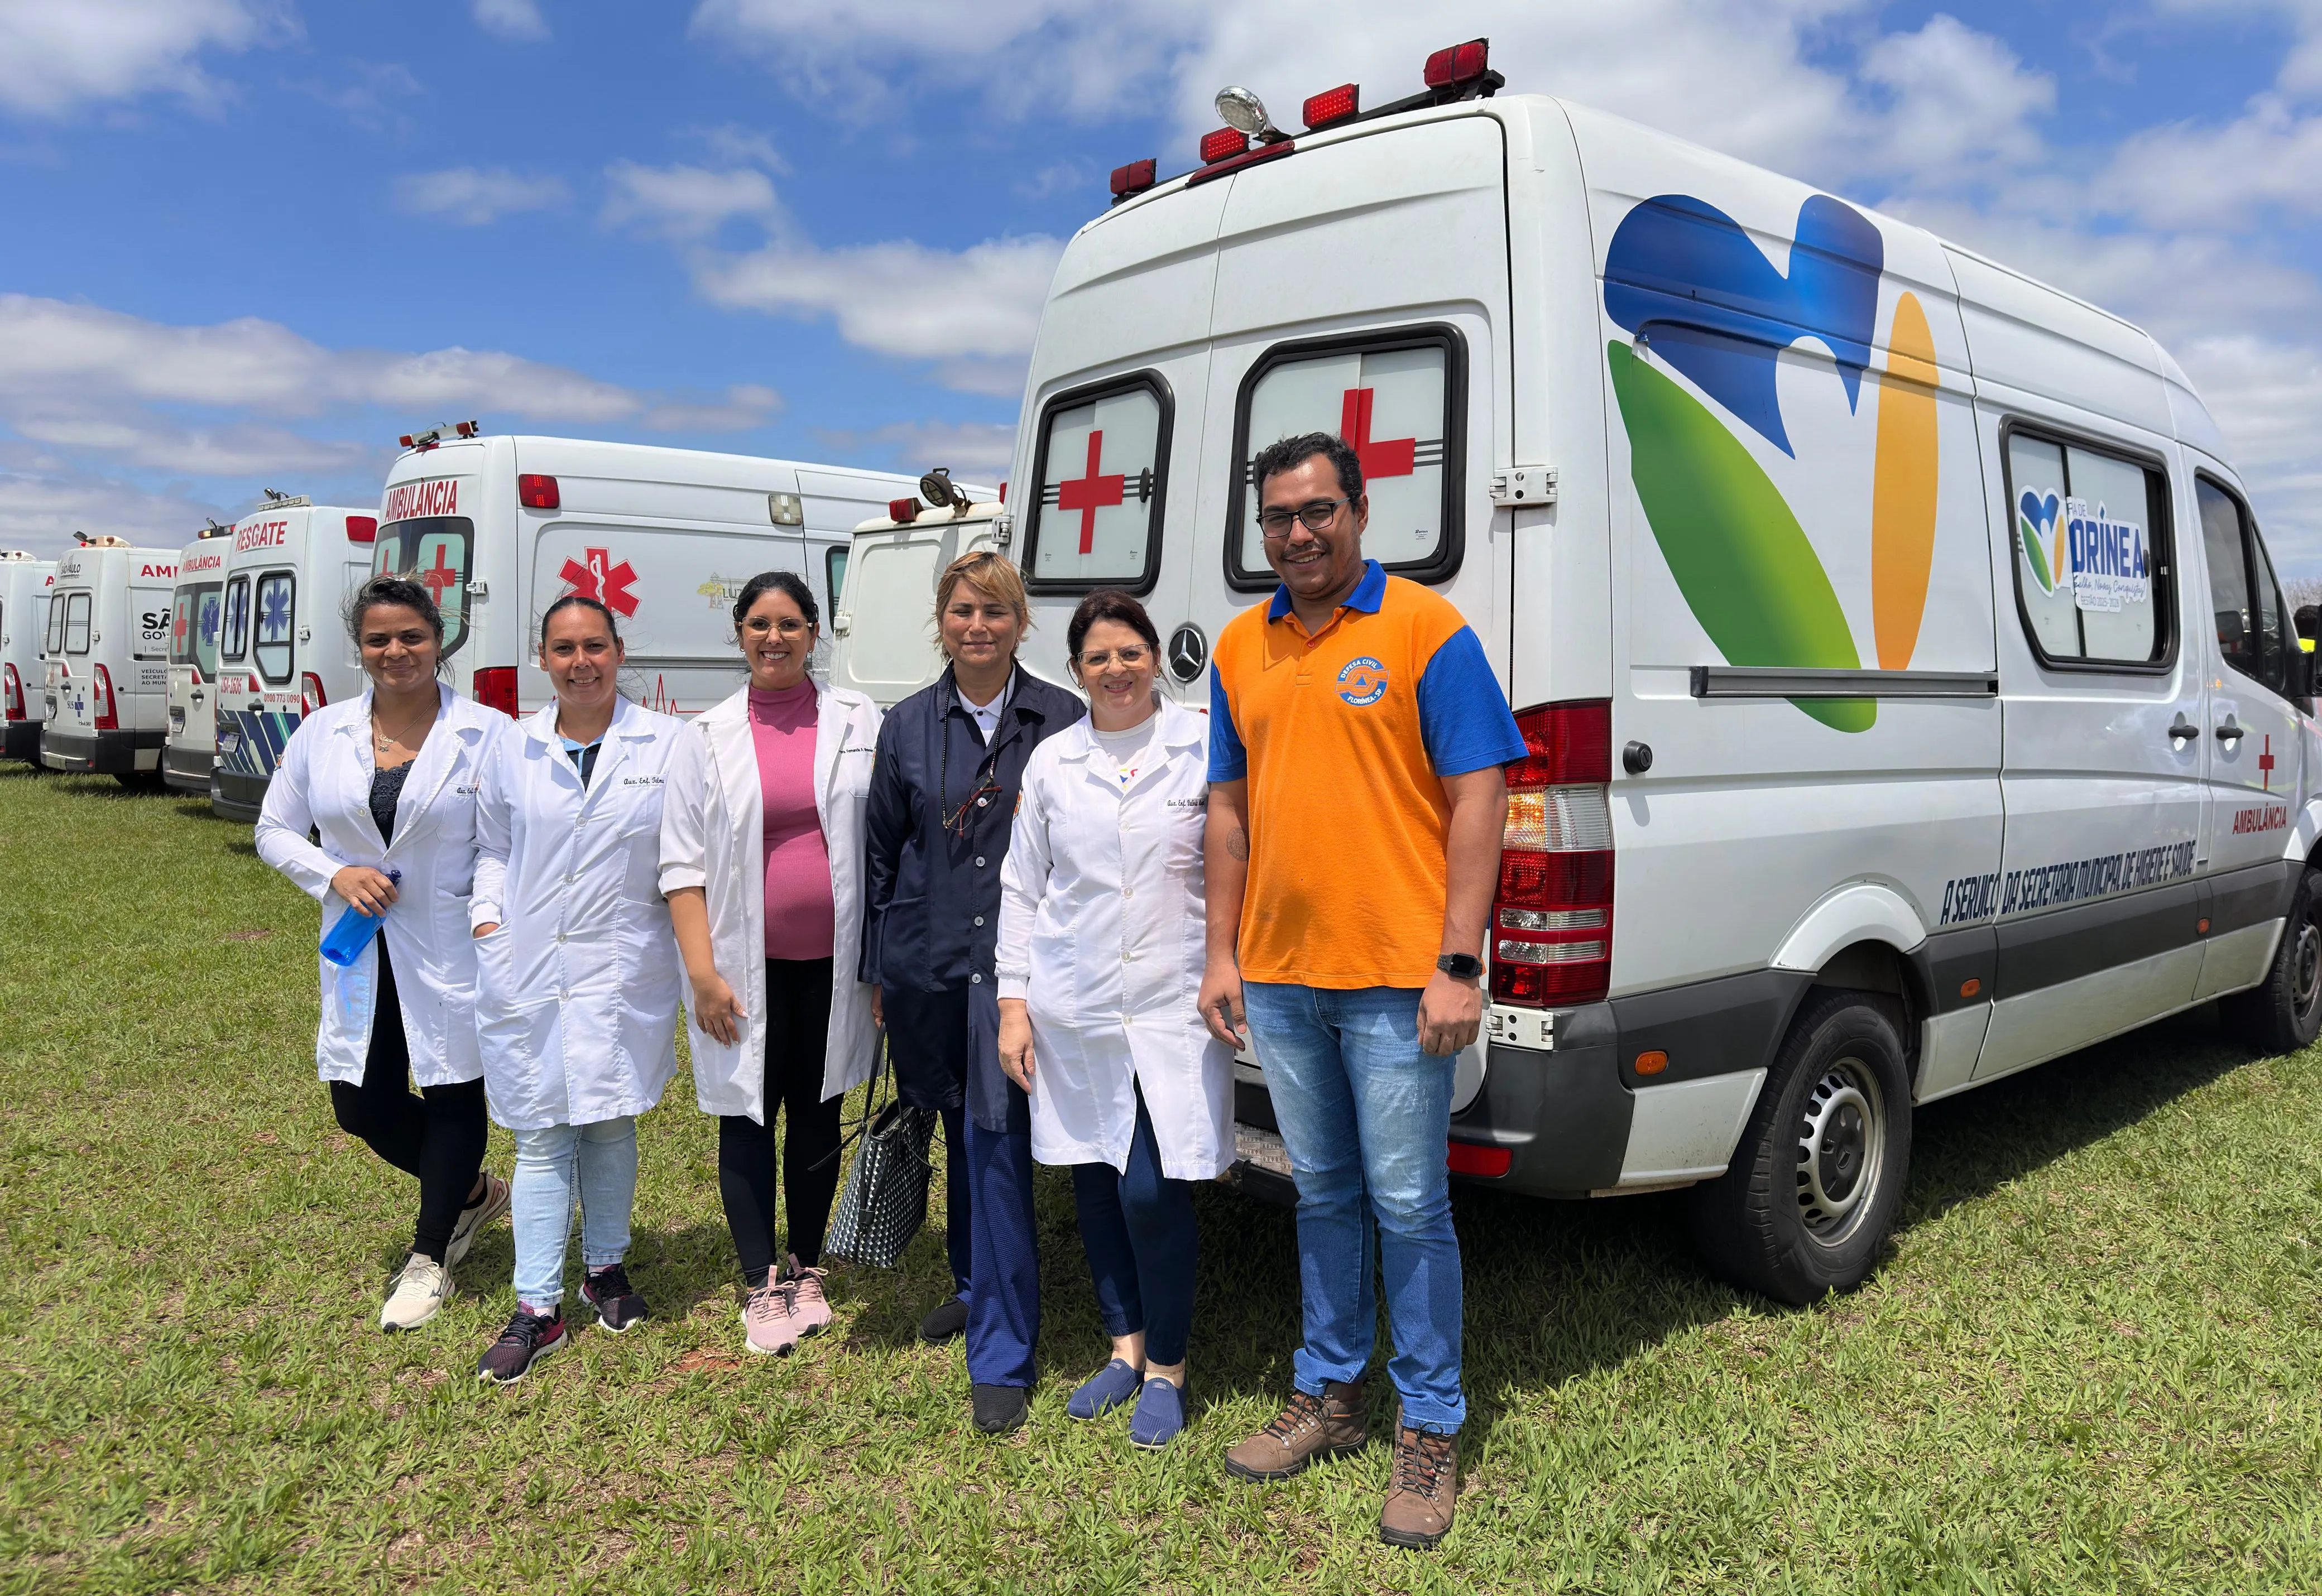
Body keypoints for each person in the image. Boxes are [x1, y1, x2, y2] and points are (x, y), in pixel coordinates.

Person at [1199, 432, 1525, 1550]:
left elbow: (1478, 793)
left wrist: (1458, 961)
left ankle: (1429, 1425)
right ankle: (1330, 1393)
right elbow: (1228, 811)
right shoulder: (1242, 647)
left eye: (1318, 510)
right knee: (1323, 1193)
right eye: (1279, 516)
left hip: (1398, 982)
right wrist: (1221, 953)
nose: (1298, 533)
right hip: (1282, 978)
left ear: (1359, 510)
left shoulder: (1426, 628)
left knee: (1407, 1205)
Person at [995, 590, 1231, 1450]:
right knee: (1094, 1177)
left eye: (1130, 652)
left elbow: (1240, 856)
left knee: (1151, 1187)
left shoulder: (1204, 742)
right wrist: (1012, 1005)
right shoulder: (1054, 762)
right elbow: (1023, 888)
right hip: (1074, 1002)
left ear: (1157, 657)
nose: (1116, 669)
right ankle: (1123, 1349)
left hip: (1171, 1003)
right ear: (1076, 671)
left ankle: (1169, 1365)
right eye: (1098, 657)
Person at [255, 574, 514, 1333]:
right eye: (379, 639)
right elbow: (274, 829)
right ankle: (471, 1194)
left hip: (451, 940)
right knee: (359, 1104)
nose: (396, 651)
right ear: (361, 648)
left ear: (439, 639)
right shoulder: (322, 733)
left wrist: (490, 912)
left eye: (412, 636)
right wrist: (332, 870)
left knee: (454, 1089)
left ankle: (430, 1256)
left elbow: (502, 841)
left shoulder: (487, 733)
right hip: (360, 944)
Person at [860, 550, 1083, 1433]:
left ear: (1022, 623)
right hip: (928, 962)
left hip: (1020, 971)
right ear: (940, 622)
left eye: (995, 612)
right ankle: (970, 1282)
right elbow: (882, 849)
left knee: (995, 1146)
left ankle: (1002, 1353)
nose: (977, 626)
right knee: (956, 1121)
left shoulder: (1062, 719)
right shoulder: (908, 725)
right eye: (962, 611)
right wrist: (882, 968)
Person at [660, 570, 883, 1356]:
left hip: (835, 966)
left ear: (815, 633)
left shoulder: (860, 719)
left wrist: (882, 962)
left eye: (790, 623)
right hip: (739, 974)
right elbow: (680, 866)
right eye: (759, 624)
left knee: (818, 1109)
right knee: (748, 1114)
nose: (774, 637)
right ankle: (761, 1283)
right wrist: (702, 975)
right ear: (740, 634)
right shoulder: (707, 735)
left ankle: (808, 1267)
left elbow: (887, 843)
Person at [467, 595, 686, 1384]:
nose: (581, 662)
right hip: (528, 966)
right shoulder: (511, 748)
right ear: (543, 660)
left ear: (620, 653)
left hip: (624, 968)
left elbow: (687, 856)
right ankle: (536, 1308)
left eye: (595, 646)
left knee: (608, 1123)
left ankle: (605, 1269)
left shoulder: (667, 743)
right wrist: (490, 924)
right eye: (564, 649)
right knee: (541, 1135)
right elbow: (490, 847)